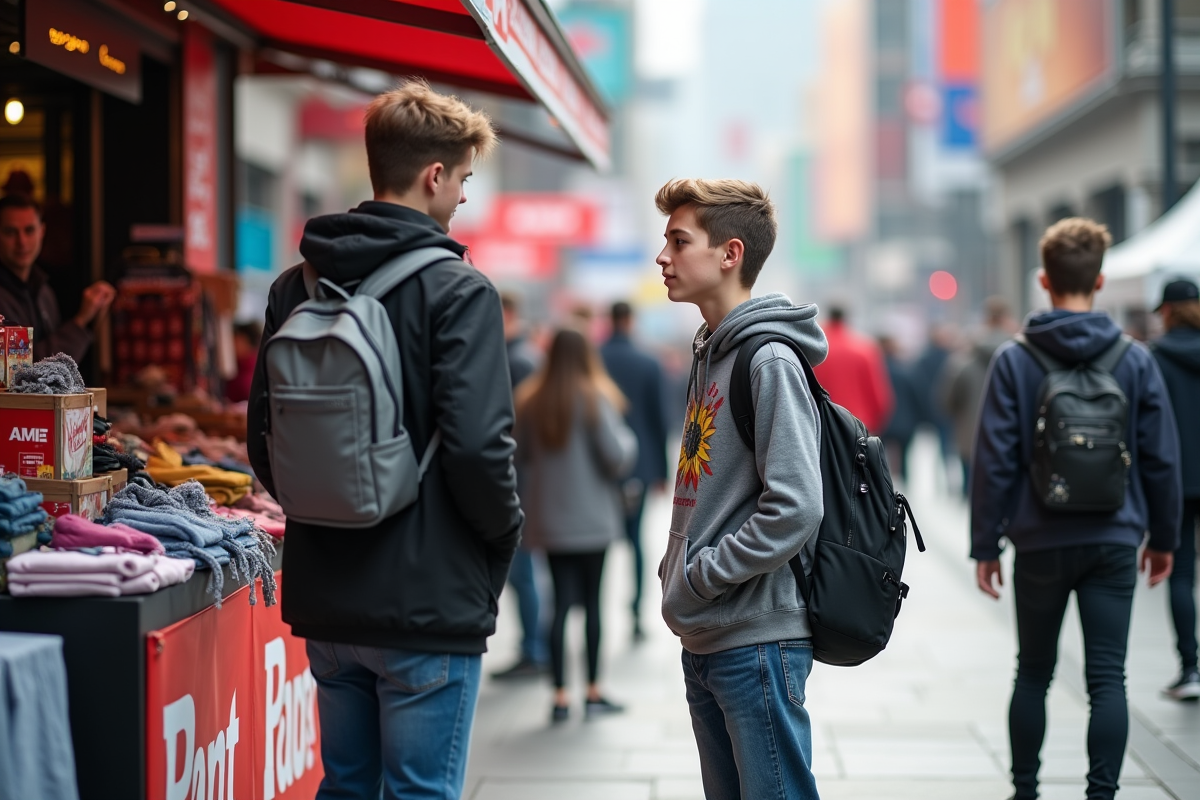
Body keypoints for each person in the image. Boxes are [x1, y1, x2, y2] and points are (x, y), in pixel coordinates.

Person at [246, 80, 523, 800]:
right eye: (463, 178)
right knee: (418, 791)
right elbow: (478, 453)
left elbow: (264, 442)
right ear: (434, 175)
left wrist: (325, 510)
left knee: (346, 787)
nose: (462, 195)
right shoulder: (460, 291)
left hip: (326, 598)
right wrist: (500, 543)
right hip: (427, 598)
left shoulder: (294, 286)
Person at [971, 217, 1179, 800]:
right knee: (1108, 678)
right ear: (1101, 279)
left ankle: (1026, 790)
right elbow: (1161, 458)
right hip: (1114, 537)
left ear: (1044, 280)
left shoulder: (1016, 360)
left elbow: (995, 459)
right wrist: (1163, 539)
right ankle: (1102, 793)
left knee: (1032, 671)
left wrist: (986, 545)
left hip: (1038, 538)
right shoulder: (1135, 360)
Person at [655, 178, 827, 799]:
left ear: (730, 253)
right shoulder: (711, 351)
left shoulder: (767, 359)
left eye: (679, 241)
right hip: (709, 634)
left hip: (755, 639)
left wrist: (702, 574)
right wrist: (678, 567)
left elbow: (797, 506)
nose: (663, 256)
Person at [514, 327, 636, 722]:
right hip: (592, 521)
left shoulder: (531, 400)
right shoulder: (595, 397)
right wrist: (629, 441)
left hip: (549, 520)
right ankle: (594, 689)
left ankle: (560, 694)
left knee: (560, 604)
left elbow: (520, 457)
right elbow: (616, 456)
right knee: (593, 605)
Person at [600, 301, 669, 641]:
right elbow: (661, 421)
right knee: (636, 541)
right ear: (630, 320)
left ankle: (594, 610)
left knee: (600, 543)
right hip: (640, 466)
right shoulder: (648, 361)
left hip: (599, 467)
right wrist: (663, 471)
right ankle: (636, 614)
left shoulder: (594, 358)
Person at [491, 291, 548, 680]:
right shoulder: (526, 356)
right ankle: (536, 646)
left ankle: (534, 648)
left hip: (519, 481)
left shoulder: (517, 361)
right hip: (526, 478)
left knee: (523, 570)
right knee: (525, 570)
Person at [1150, 278, 1200, 701]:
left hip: (1177, 482)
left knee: (1181, 573)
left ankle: (1191, 668)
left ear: (1166, 310)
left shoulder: (1154, 359)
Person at [0, 194, 116, 363]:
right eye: (10, 232)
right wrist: (81, 321)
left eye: (29, 230)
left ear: (42, 232)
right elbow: (22, 369)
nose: (22, 242)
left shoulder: (44, 292)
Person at [940, 296, 1016, 496]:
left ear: (985, 318)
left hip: (971, 439)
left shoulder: (963, 360)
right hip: (1010, 440)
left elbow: (948, 401)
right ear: (1006, 318)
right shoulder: (1021, 356)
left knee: (973, 497)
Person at [812, 305, 892, 435]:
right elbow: (879, 397)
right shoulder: (865, 349)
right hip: (858, 424)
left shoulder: (815, 350)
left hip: (821, 425)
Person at [878, 334, 920, 481]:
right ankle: (904, 482)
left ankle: (883, 483)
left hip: (882, 421)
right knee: (904, 457)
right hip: (905, 421)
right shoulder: (906, 371)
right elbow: (916, 396)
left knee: (879, 455)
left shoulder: (877, 370)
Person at [225, 322, 262, 404]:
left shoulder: (248, 372)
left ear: (244, 341)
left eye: (236, 339)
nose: (231, 344)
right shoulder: (251, 365)